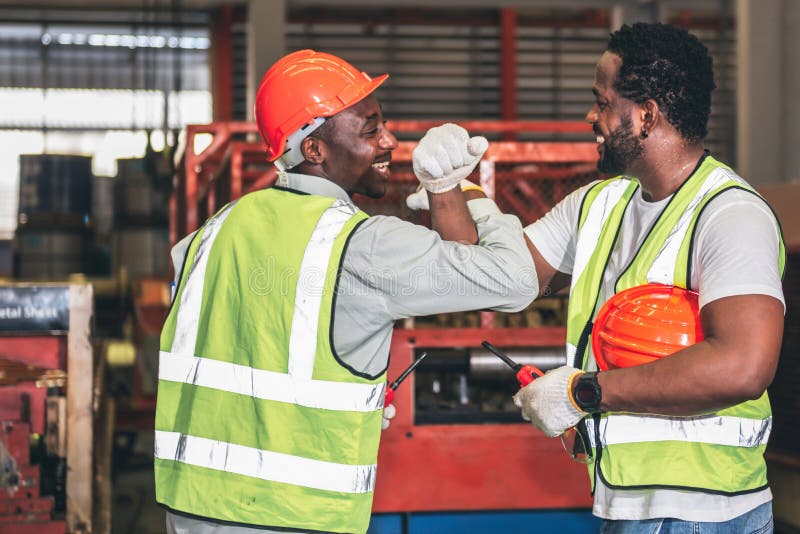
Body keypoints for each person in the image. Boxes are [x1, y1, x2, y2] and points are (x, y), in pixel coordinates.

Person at [153, 49, 536, 534]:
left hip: (191, 508)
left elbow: (249, 348)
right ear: (314, 150)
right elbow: (513, 279)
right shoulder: (361, 244)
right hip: (291, 516)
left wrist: (342, 394)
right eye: (370, 129)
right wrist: (466, 192)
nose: (389, 141)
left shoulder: (210, 233)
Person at [424, 23, 785, 532]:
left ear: (645, 115)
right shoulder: (597, 205)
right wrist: (445, 190)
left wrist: (584, 393)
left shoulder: (729, 214)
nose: (591, 116)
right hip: (628, 505)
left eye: (602, 101)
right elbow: (486, 279)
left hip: (705, 512)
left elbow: (743, 366)